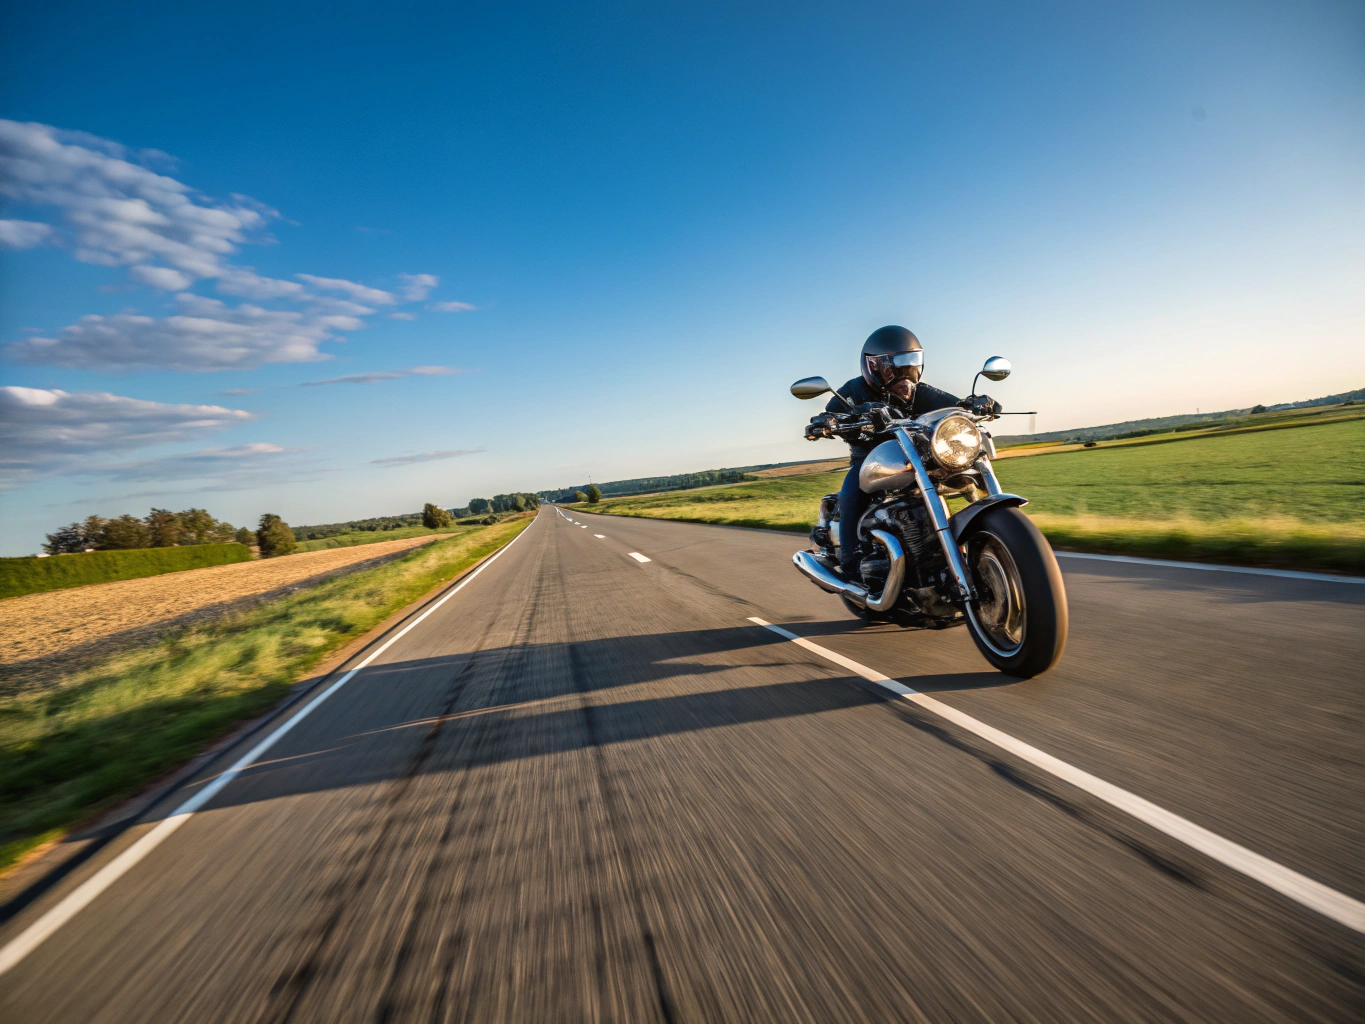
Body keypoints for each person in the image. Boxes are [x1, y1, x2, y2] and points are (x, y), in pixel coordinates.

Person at [814, 326, 993, 582]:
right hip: (872, 461)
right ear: (873, 367)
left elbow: (954, 406)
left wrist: (975, 404)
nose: (904, 374)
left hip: (919, 457)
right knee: (852, 495)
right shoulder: (852, 392)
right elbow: (831, 412)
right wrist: (827, 421)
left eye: (910, 364)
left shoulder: (919, 392)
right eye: (893, 366)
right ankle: (850, 568)